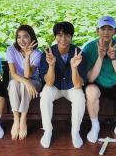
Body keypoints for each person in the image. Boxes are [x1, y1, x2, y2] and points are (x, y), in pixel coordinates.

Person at [83, 15, 116, 148]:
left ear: (115, 31)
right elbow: (90, 78)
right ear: (97, 31)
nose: (106, 32)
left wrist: (113, 58)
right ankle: (95, 126)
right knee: (90, 91)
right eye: (103, 29)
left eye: (110, 29)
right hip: (97, 83)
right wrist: (100, 57)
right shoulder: (89, 48)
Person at [39, 21, 87, 149]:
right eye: (59, 35)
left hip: (71, 87)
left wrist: (74, 67)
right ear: (55, 37)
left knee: (80, 98)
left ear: (71, 37)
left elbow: (77, 85)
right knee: (45, 96)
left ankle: (75, 132)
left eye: (67, 35)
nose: (63, 39)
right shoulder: (48, 53)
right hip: (54, 86)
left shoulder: (79, 53)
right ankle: (48, 131)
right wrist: (51, 65)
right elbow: (48, 83)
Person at [6, 25, 42, 140]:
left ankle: (23, 119)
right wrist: (26, 83)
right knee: (14, 83)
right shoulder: (11, 50)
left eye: (25, 37)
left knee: (23, 85)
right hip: (16, 81)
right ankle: (16, 119)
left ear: (32, 38)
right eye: (19, 37)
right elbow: (13, 73)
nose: (21, 40)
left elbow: (28, 75)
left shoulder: (37, 54)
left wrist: (27, 56)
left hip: (34, 82)